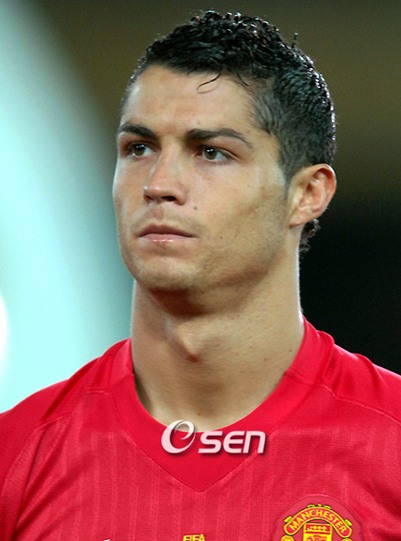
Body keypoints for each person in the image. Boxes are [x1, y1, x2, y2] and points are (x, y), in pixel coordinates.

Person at [1, 10, 400, 540]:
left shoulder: (390, 445)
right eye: (139, 148)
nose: (159, 184)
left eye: (211, 152)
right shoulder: (17, 456)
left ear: (307, 194)